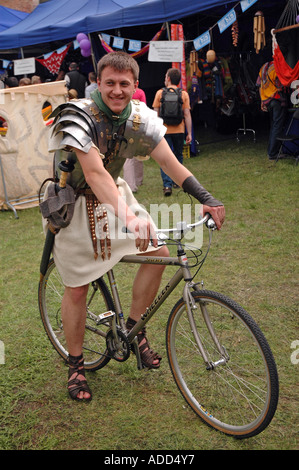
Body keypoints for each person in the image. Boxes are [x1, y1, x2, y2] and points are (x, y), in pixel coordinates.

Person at [44, 51, 225, 402]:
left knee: (157, 253)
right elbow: (95, 174)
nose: (116, 90)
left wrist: (206, 196)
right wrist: (129, 218)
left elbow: (167, 160)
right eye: (109, 83)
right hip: (76, 202)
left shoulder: (137, 117)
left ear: (135, 86)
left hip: (115, 195)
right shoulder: (80, 116)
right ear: (98, 82)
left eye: (124, 84)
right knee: (78, 287)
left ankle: (134, 329)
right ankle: (76, 364)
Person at [153, 68, 192, 196]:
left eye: (165, 76)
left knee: (164, 157)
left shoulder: (160, 93)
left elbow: (155, 114)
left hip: (164, 130)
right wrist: (189, 133)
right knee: (178, 155)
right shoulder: (184, 94)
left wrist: (155, 130)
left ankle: (167, 185)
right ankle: (178, 181)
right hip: (179, 129)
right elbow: (187, 115)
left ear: (168, 78)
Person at [256, 61, 287, 160]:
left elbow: (259, 84)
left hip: (267, 100)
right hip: (276, 100)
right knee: (277, 126)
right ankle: (273, 153)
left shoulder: (264, 66)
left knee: (274, 126)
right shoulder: (278, 67)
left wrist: (262, 101)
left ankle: (271, 150)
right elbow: (280, 86)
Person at [122, 87, 146, 192]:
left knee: (128, 157)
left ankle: (130, 185)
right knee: (138, 154)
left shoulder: (122, 92)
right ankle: (138, 180)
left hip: (125, 124)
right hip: (138, 125)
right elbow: (144, 110)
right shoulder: (140, 92)